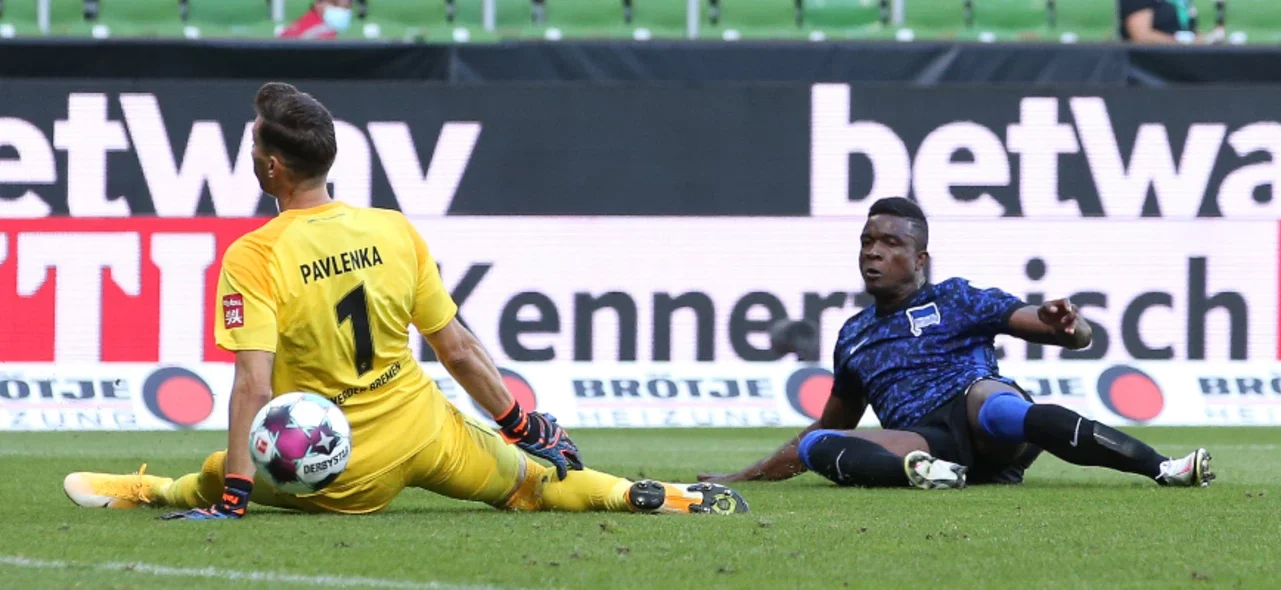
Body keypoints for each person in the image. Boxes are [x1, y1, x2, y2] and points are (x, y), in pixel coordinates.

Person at [63, 82, 749, 519]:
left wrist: (237, 490)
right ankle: (646, 494)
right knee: (531, 483)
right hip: (424, 431)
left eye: (252, 146)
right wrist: (517, 422)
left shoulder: (256, 252)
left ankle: (151, 490)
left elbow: (252, 384)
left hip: (338, 469)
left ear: (272, 167)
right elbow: (456, 346)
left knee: (212, 472)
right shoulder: (392, 229)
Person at [698, 197, 1214, 491]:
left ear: (920, 259)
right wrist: (746, 475)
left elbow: (1067, 333)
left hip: (985, 422)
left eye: (890, 243)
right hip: (927, 442)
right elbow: (833, 424)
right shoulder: (853, 336)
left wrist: (1069, 327)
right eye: (867, 242)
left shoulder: (957, 298)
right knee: (815, 447)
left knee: (996, 405)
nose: (874, 253)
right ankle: (931, 474)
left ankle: (1163, 468)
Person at [1118, 0, 1225, 44]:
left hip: (1185, 61)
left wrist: (1206, 39)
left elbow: (1186, 29)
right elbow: (1141, 35)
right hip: (1151, 65)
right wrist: (1182, 42)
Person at [279, 0, 352, 40]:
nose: (342, 11)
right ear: (319, 3)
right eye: (335, 5)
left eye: (347, 7)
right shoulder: (318, 33)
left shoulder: (327, 29)